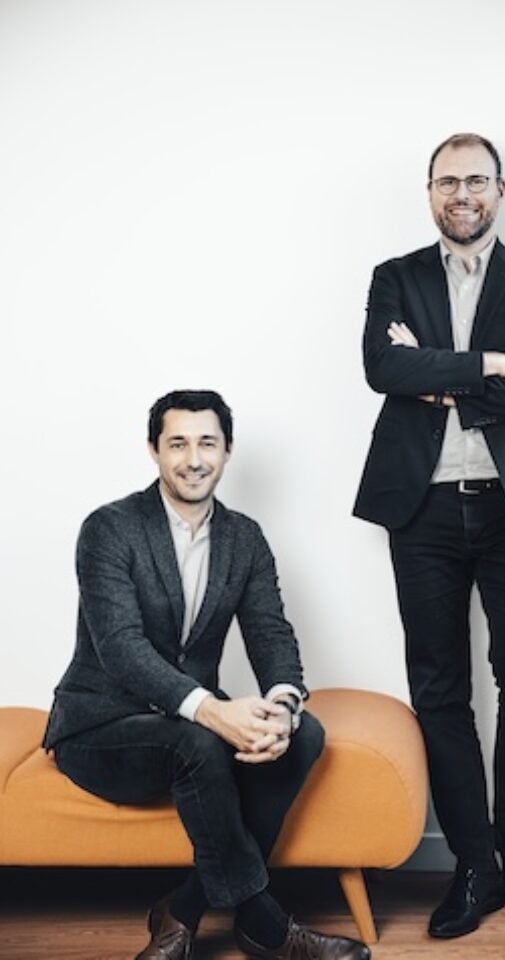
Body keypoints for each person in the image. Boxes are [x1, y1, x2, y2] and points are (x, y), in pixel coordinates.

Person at [44, 389, 369, 960]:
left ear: (227, 451)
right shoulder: (110, 528)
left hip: (185, 729)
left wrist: (283, 707)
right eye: (178, 444)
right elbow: (121, 648)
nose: (193, 459)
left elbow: (270, 631)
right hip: (100, 729)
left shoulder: (244, 537)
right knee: (198, 740)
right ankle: (265, 926)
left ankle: (184, 910)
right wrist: (213, 711)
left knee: (305, 733)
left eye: (207, 443)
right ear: (154, 450)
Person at [354, 133, 505, 939]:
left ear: (500, 190)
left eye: (475, 180)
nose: (461, 194)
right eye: (447, 181)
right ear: (429, 191)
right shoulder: (396, 277)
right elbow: (384, 370)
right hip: (422, 510)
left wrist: (443, 377)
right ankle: (474, 862)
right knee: (440, 690)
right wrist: (493, 364)